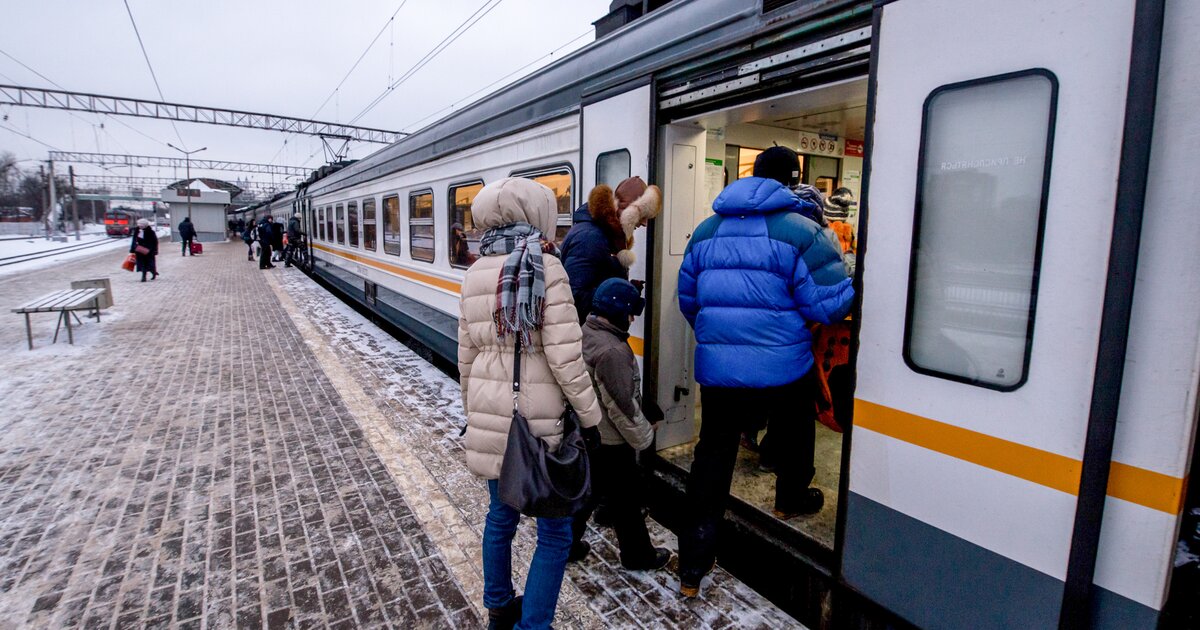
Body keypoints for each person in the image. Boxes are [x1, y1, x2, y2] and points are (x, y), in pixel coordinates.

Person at [675, 146, 854, 598]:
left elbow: (689, 301)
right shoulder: (804, 231)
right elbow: (828, 307)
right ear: (792, 180)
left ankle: (692, 565)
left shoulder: (706, 231)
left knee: (712, 458)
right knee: (796, 429)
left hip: (719, 372)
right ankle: (790, 499)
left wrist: (722, 340)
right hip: (784, 367)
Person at [457, 177, 601, 630]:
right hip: (535, 421)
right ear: (539, 215)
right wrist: (591, 418)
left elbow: (466, 356)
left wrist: (474, 411)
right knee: (555, 533)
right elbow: (565, 358)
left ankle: (499, 608)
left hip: (490, 414)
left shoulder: (475, 272)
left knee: (500, 517)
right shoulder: (547, 268)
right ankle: (534, 625)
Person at [571, 278, 671, 572]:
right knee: (626, 498)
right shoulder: (612, 350)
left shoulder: (587, 331)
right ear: (617, 312)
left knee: (590, 493)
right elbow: (621, 406)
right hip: (611, 438)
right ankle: (638, 556)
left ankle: (565, 545)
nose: (632, 319)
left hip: (591, 430)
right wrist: (644, 435)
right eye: (630, 313)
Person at [560, 177, 661, 323]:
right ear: (627, 212)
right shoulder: (590, 238)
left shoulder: (605, 236)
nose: (644, 223)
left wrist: (625, 290)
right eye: (642, 216)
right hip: (587, 331)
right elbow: (576, 297)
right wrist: (620, 296)